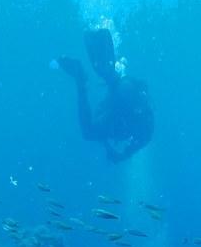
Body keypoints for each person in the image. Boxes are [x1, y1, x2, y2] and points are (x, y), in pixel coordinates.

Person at [55, 28, 154, 163]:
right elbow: (137, 138)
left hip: (124, 98)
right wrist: (120, 154)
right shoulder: (142, 129)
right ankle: (82, 78)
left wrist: (114, 151)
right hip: (124, 102)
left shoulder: (142, 128)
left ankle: (83, 77)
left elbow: (130, 141)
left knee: (92, 128)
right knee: (89, 131)